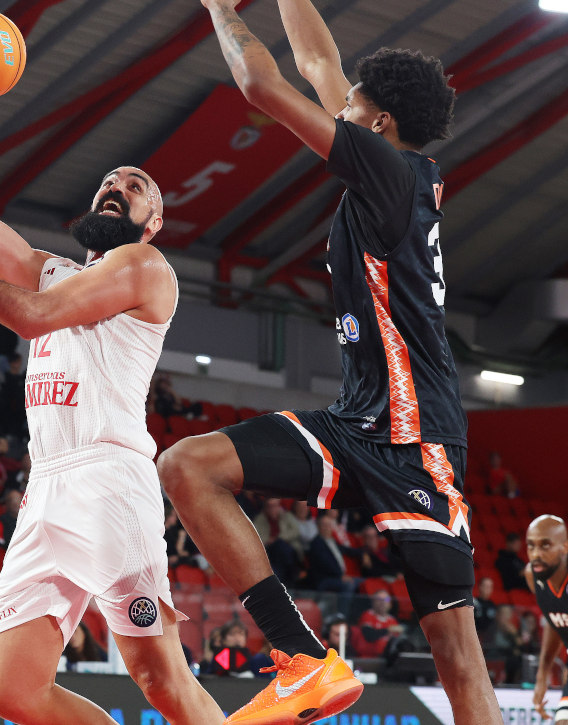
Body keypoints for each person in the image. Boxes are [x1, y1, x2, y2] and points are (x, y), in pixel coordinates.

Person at [0, 33, 223, 725]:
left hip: (108, 477)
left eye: (136, 187)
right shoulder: (55, 266)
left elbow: (29, 318)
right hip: (49, 482)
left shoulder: (146, 270)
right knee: (14, 690)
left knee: (160, 678)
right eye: (110, 182)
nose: (119, 187)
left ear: (155, 223)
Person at [158, 0, 496, 720]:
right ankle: (302, 654)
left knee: (458, 659)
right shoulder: (388, 165)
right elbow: (317, 64)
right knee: (188, 465)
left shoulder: (389, 173)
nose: (335, 105)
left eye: (349, 105)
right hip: (354, 423)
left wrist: (220, 8)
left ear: (377, 127)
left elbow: (263, 87)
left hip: (416, 441)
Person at [524, 515, 568, 721]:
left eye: (545, 545)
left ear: (564, 547)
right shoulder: (533, 575)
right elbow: (555, 620)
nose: (536, 554)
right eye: (531, 546)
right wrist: (542, 677)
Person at [252, 497, 304, 586]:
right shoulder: (259, 519)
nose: (272, 508)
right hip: (269, 550)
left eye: (275, 506)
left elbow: (296, 531)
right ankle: (292, 575)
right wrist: (270, 541)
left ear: (279, 506)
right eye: (270, 506)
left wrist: (279, 538)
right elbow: (256, 537)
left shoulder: (286, 516)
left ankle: (288, 576)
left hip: (288, 548)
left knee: (281, 546)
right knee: (278, 550)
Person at [353, 590, 403, 658]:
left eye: (386, 599)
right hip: (366, 658)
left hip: (386, 659)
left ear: (390, 603)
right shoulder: (367, 615)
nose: (383, 602)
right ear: (373, 601)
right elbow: (369, 635)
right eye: (379, 599)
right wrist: (388, 630)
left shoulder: (392, 620)